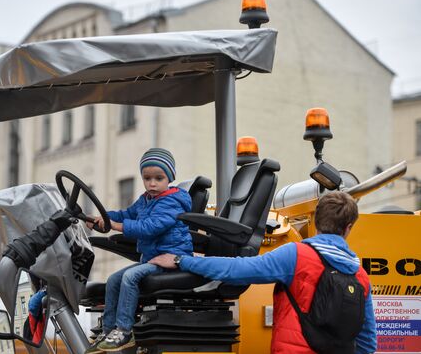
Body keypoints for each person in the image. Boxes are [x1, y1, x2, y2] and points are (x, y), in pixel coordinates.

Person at [150, 191, 377, 354]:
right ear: (349, 228)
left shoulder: (296, 255)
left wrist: (183, 261)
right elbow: (368, 342)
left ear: (316, 221)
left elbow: (237, 269)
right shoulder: (360, 275)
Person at [85, 148, 193, 353]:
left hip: (171, 259)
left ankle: (124, 331)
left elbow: (149, 228)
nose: (152, 183)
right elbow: (126, 213)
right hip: (152, 259)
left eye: (158, 178)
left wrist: (116, 226)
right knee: (115, 279)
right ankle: (109, 330)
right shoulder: (146, 200)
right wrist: (102, 217)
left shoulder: (172, 202)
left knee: (130, 277)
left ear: (169, 178)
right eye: (147, 178)